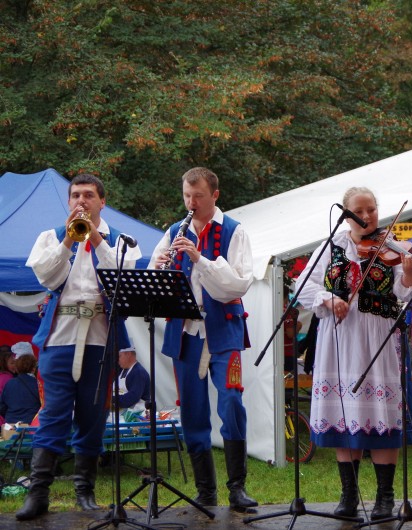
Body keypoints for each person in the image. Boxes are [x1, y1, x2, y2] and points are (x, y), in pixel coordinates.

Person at [19, 173, 142, 520]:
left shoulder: (123, 242)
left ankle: (84, 491)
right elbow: (47, 278)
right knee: (54, 412)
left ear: (102, 201)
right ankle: (38, 492)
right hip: (60, 337)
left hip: (100, 338)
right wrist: (68, 243)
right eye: (75, 196)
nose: (81, 201)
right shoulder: (50, 237)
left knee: (92, 415)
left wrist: (97, 237)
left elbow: (121, 278)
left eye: (88, 195)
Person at [294, 186, 412, 521]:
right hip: (338, 339)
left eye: (372, 210)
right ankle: (348, 495)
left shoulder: (392, 247)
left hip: (378, 337)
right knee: (342, 411)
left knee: (381, 413)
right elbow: (302, 286)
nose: (367, 217)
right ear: (345, 214)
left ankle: (384, 497)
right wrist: (327, 299)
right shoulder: (331, 246)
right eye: (359, 211)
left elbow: (403, 296)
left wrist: (408, 273)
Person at [150, 167, 256, 511]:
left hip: (224, 333)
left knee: (231, 404)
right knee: (193, 412)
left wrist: (200, 259)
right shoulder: (172, 232)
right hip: (186, 334)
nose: (190, 203)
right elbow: (153, 278)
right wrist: (163, 268)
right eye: (186, 196)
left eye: (197, 196)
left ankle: (237, 488)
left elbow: (237, 285)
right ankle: (205, 491)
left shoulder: (234, 231)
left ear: (215, 195)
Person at [0, 352, 40, 425]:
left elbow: (2, 407)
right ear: (33, 368)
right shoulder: (38, 384)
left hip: (11, 424)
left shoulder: (9, 383)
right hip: (31, 424)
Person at [116, 347, 150, 416]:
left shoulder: (138, 372)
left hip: (135, 417)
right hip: (122, 415)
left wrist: (111, 400)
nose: (117, 360)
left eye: (119, 356)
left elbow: (131, 398)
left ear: (128, 354)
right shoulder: (121, 370)